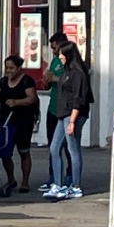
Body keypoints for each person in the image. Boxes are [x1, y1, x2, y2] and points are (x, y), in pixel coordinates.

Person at [46, 39, 93, 200]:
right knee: (54, 148)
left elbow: (78, 99)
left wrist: (72, 121)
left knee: (73, 149)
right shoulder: (66, 72)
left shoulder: (78, 73)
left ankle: (76, 186)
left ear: (68, 55)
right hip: (62, 114)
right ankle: (57, 185)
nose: (60, 58)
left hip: (72, 115)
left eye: (62, 55)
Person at [0, 54, 39, 195]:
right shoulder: (3, 81)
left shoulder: (27, 81)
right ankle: (11, 179)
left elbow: (32, 99)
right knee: (6, 152)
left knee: (23, 151)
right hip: (6, 121)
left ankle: (25, 181)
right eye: (7, 68)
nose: (9, 71)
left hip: (23, 121)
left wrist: (16, 102)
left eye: (12, 68)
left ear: (19, 68)